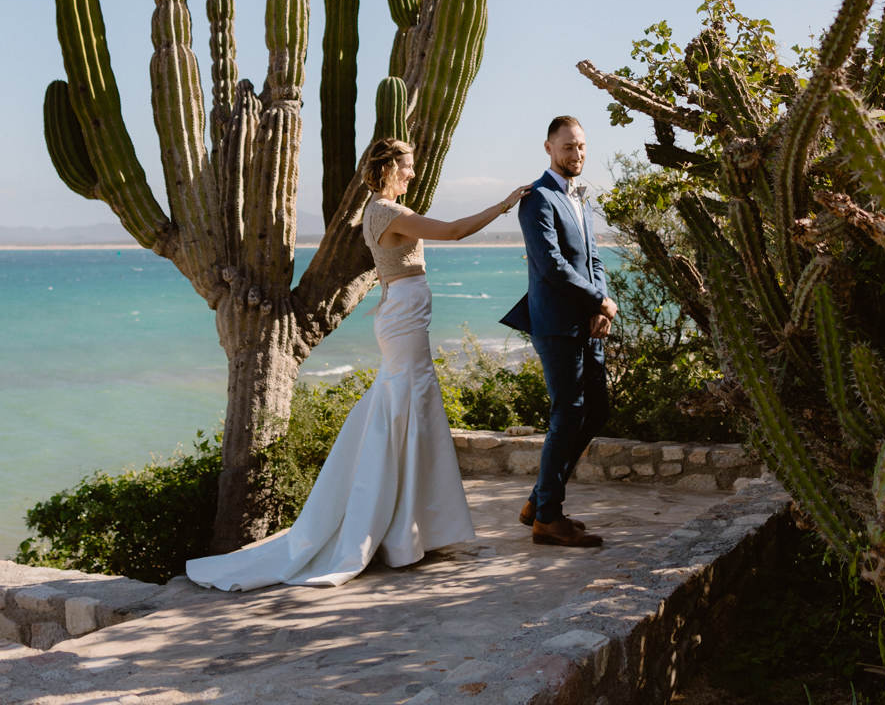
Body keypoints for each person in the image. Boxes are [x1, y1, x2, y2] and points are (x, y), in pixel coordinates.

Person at [184, 136, 528, 591]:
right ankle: (394, 529)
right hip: (404, 318)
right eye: (406, 166)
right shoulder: (388, 212)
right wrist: (505, 204)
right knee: (406, 406)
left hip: (403, 314)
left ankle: (414, 528)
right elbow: (455, 231)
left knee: (410, 408)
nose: (412, 174)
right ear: (387, 168)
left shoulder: (381, 210)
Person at [498, 116, 616, 548]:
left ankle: (539, 500)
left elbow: (593, 261)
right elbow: (551, 266)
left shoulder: (579, 197)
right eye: (568, 147)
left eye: (581, 146)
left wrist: (600, 306)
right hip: (555, 324)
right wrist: (596, 301)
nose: (577, 154)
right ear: (548, 147)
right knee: (567, 413)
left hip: (588, 323)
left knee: (597, 410)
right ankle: (548, 517)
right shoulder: (539, 199)